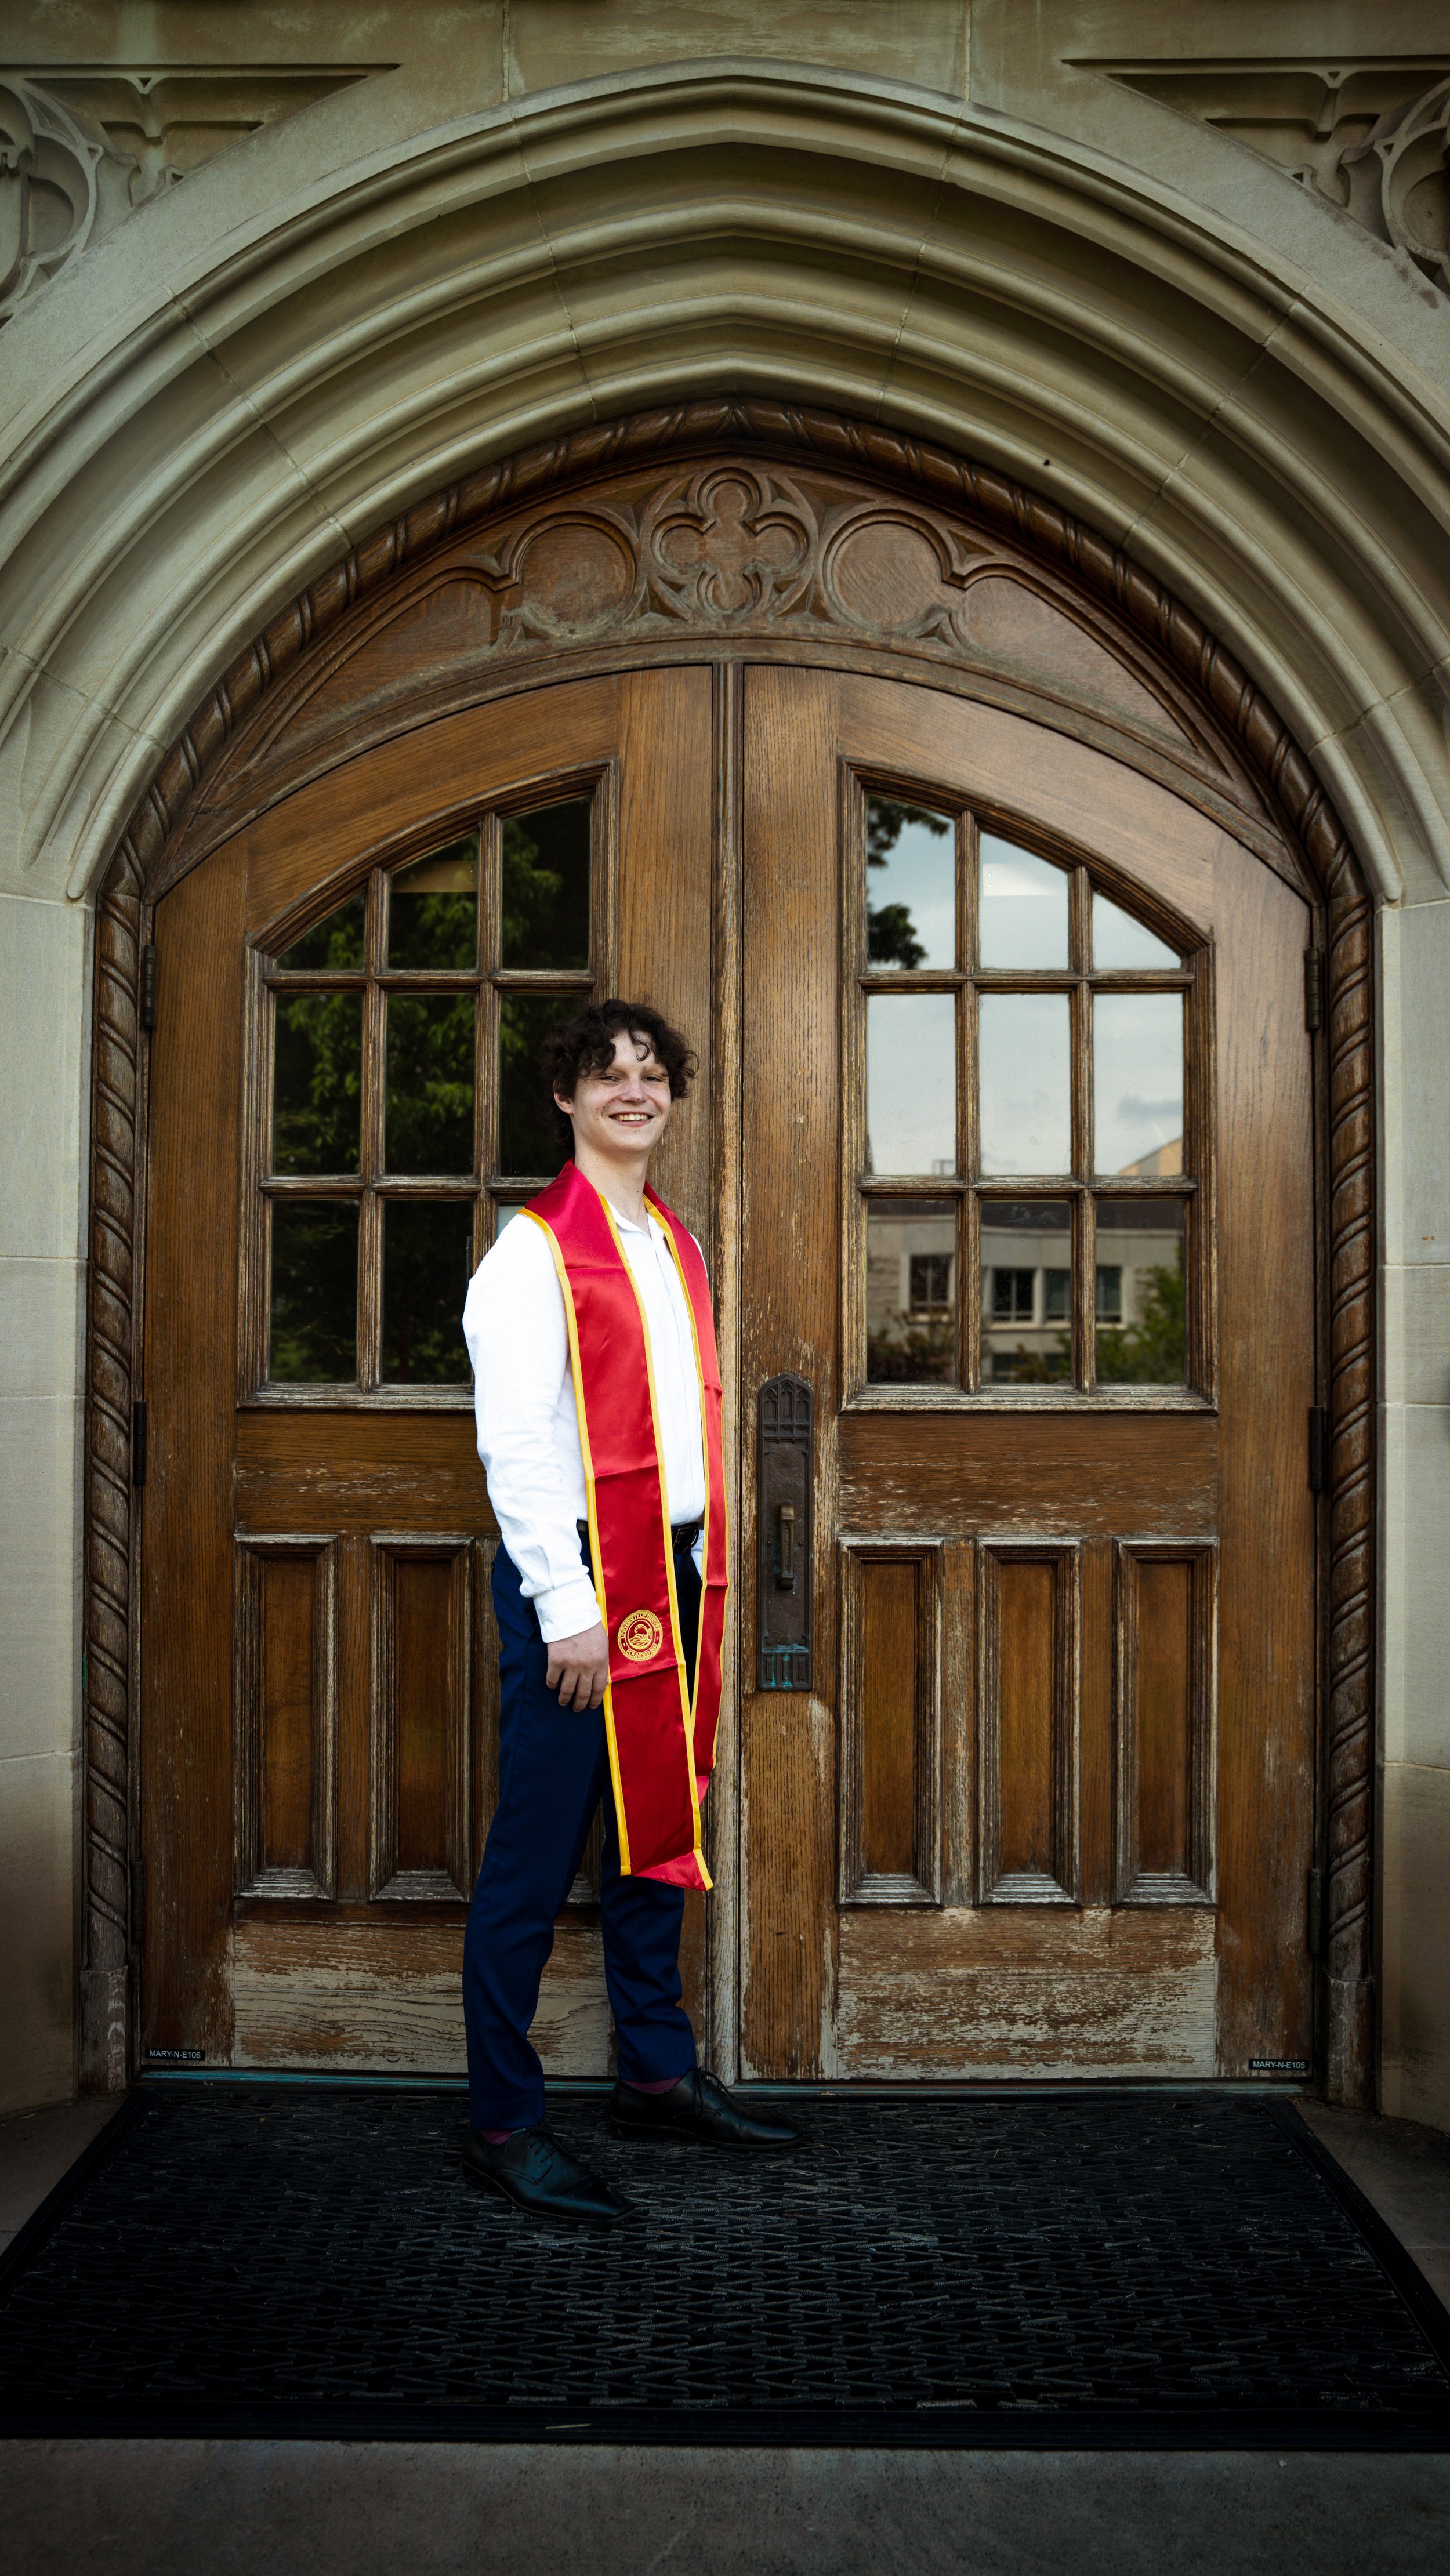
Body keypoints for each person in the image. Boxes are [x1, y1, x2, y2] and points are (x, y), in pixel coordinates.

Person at [461, 999, 798, 2225]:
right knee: (532, 1867)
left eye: (652, 1073)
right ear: (565, 1096)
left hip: (674, 1577)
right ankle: (501, 2119)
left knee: (655, 1838)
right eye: (607, 1074)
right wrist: (563, 1606)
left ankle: (652, 2071)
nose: (633, 1090)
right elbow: (516, 1445)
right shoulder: (531, 1254)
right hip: (584, 1589)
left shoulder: (670, 1240)